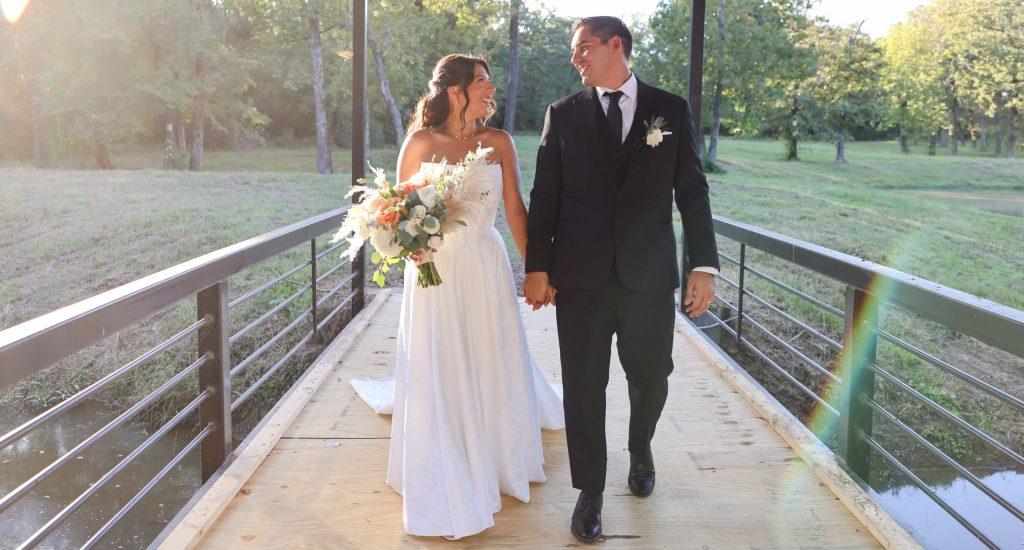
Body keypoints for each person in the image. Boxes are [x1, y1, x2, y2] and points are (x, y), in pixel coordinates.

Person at [349, 54, 564, 541]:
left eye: (490, 83)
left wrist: (538, 269)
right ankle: (447, 451)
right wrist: (410, 243)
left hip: (484, 266)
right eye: (484, 83)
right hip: (435, 271)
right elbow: (394, 209)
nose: (492, 91)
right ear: (456, 90)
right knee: (441, 359)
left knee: (489, 352)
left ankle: (495, 451)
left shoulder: (500, 142)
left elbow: (514, 210)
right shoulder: (421, 142)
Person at [524, 16, 719, 543]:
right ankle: (590, 491)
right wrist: (536, 267)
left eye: (583, 47)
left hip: (649, 276)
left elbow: (693, 193)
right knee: (584, 385)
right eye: (574, 50)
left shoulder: (670, 110)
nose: (576, 58)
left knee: (652, 375)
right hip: (580, 278)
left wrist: (702, 265)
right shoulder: (562, 115)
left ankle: (641, 446)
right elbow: (545, 196)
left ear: (616, 46)